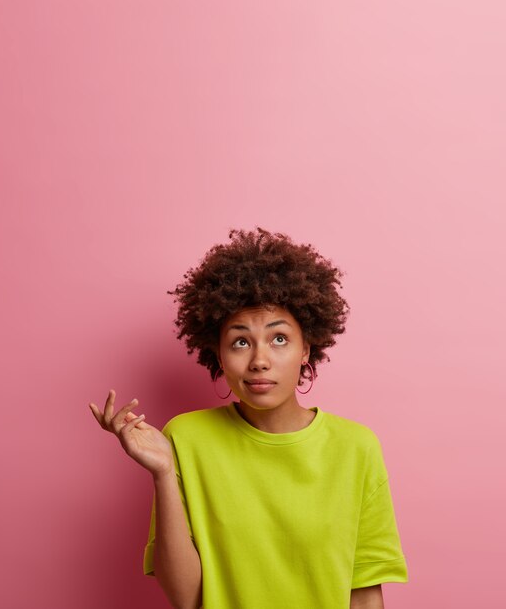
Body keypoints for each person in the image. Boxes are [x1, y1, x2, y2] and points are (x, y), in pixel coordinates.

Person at [89, 227, 408, 609]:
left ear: (306, 348)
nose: (259, 360)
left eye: (279, 339)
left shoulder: (356, 447)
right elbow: (186, 598)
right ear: (219, 355)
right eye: (241, 341)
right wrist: (162, 473)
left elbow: (365, 593)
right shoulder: (186, 439)